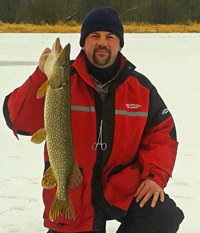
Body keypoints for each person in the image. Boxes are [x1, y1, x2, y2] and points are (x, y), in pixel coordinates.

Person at [3, 7, 184, 233]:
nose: (102, 43)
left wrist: (154, 177)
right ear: (83, 43)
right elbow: (17, 120)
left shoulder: (139, 88)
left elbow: (162, 135)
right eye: (94, 36)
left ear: (119, 44)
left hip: (121, 188)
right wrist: (41, 75)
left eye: (110, 37)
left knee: (163, 215)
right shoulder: (61, 81)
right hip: (74, 191)